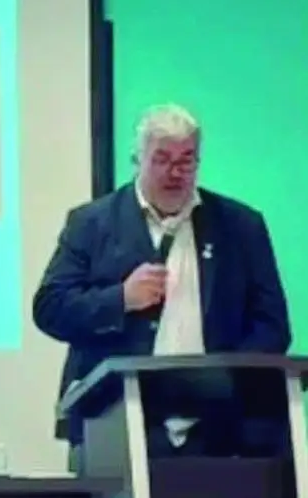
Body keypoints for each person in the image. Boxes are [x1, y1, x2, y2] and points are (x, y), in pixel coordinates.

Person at [34, 104, 291, 464]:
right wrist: (120, 299)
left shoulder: (240, 226)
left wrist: (228, 380)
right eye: (162, 159)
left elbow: (272, 326)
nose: (175, 173)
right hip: (117, 422)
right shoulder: (92, 223)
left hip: (221, 428)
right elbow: (50, 308)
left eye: (187, 160)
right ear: (137, 159)